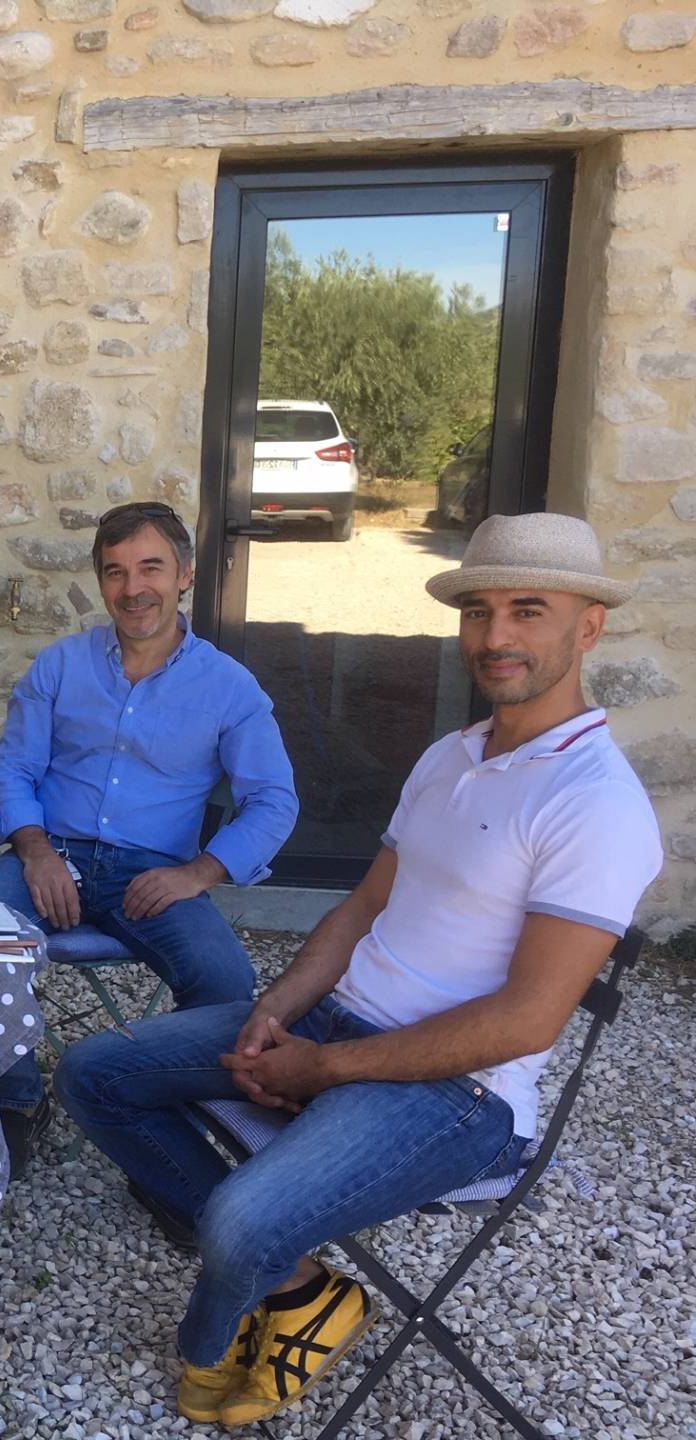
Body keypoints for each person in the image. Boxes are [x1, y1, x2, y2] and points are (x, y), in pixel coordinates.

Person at [56, 512, 661, 1427]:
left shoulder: (596, 803)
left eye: (527, 611)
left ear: (588, 626)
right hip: (336, 1023)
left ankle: (224, 1324)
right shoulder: (449, 755)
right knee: (96, 1072)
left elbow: (527, 1023)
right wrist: (279, 1012)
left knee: (237, 1223)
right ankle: (304, 1288)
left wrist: (322, 1069)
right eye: (480, 612)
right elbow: (359, 908)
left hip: (457, 1092)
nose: (496, 637)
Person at [0, 501, 298, 1172]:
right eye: (115, 572)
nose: (133, 589)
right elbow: (15, 767)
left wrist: (198, 875)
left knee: (226, 982)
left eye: (150, 567)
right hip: (51, 853)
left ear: (184, 574)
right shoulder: (60, 665)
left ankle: (165, 1122)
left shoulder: (229, 687)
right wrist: (35, 851)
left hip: (155, 874)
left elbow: (273, 802)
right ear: (101, 584)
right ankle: (15, 1097)